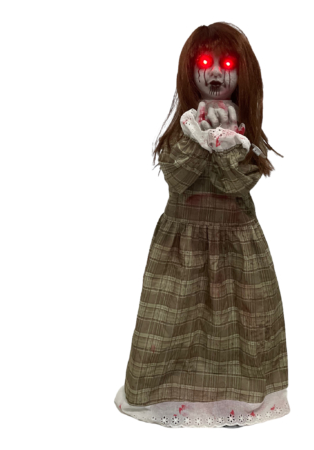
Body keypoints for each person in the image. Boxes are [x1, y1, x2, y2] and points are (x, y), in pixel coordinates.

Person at [114, 21, 290, 428]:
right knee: (170, 324)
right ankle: (166, 398)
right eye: (206, 63)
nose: (215, 73)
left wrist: (227, 140)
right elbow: (178, 177)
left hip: (236, 246)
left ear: (242, 72)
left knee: (240, 327)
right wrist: (202, 136)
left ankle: (236, 403)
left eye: (226, 64)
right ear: (189, 71)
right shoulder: (185, 129)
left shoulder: (244, 135)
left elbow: (236, 183)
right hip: (183, 244)